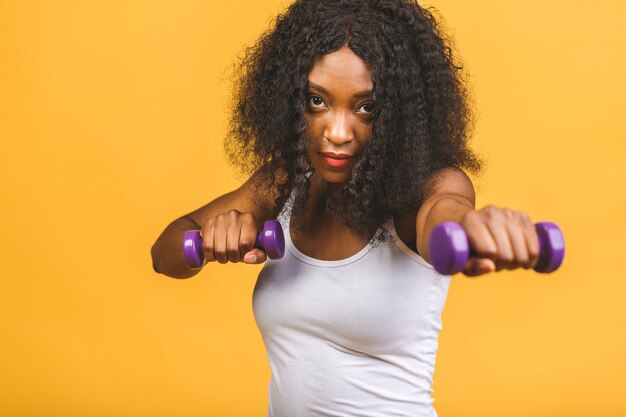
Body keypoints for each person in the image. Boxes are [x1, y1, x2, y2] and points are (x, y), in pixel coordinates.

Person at [151, 0, 541, 415]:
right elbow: (164, 254)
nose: (337, 133)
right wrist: (210, 240)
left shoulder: (427, 188)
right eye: (317, 101)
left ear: (402, 113)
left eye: (366, 107)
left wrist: (477, 229)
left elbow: (447, 215)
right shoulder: (287, 180)